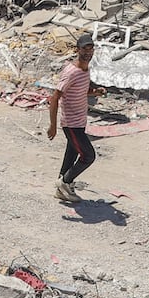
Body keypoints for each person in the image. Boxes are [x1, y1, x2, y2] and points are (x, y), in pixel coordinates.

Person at [46, 32, 98, 204]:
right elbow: (55, 97)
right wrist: (53, 126)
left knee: (72, 153)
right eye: (85, 49)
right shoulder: (71, 72)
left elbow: (81, 91)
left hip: (80, 120)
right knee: (88, 156)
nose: (88, 52)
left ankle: (62, 187)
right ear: (77, 50)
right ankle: (65, 182)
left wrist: (95, 92)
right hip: (71, 123)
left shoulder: (85, 69)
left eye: (91, 49)